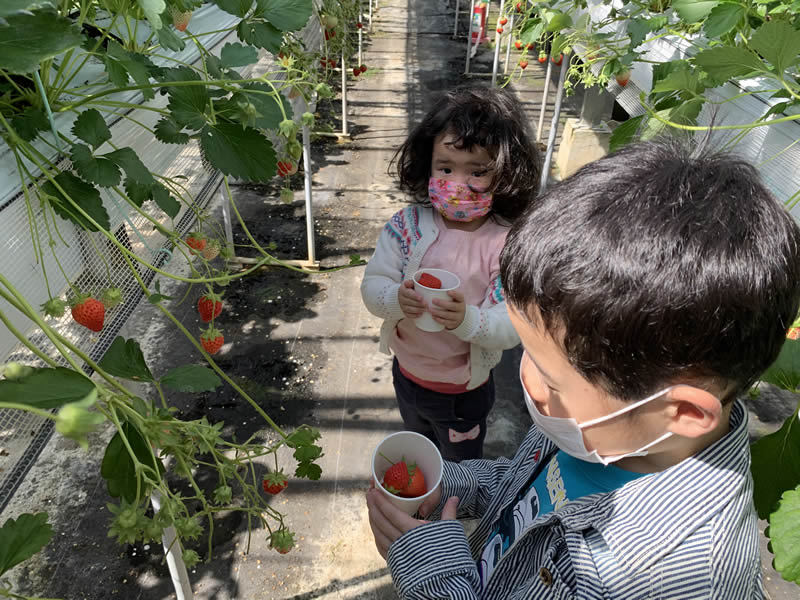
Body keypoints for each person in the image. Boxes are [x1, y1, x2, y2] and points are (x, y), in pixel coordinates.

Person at [366, 138, 800, 598]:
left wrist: (432, 575)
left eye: (551, 378)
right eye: (529, 354)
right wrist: (454, 482)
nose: (527, 380)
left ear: (685, 414)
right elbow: (525, 488)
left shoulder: (661, 579)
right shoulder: (607, 431)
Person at [360, 85, 542, 462]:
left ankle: (455, 506)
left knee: (461, 462)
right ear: (427, 163)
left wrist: (467, 320)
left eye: (477, 172)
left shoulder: (504, 245)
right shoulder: (407, 226)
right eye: (446, 168)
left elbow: (510, 323)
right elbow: (373, 284)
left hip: (462, 392)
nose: (458, 184)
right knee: (420, 444)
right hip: (406, 373)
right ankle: (430, 491)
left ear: (505, 175)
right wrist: (394, 298)